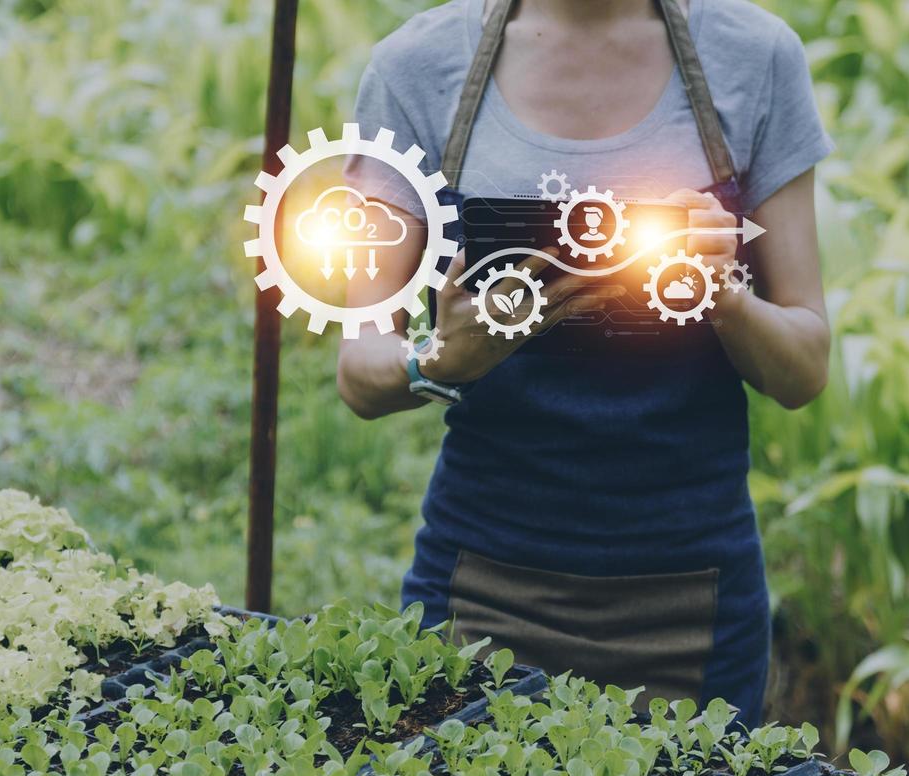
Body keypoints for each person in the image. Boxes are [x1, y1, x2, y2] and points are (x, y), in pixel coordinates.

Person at [337, 0, 832, 727]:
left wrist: (720, 296)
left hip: (694, 603)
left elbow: (804, 366)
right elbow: (359, 370)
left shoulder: (754, 59)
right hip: (481, 590)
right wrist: (443, 356)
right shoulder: (417, 70)